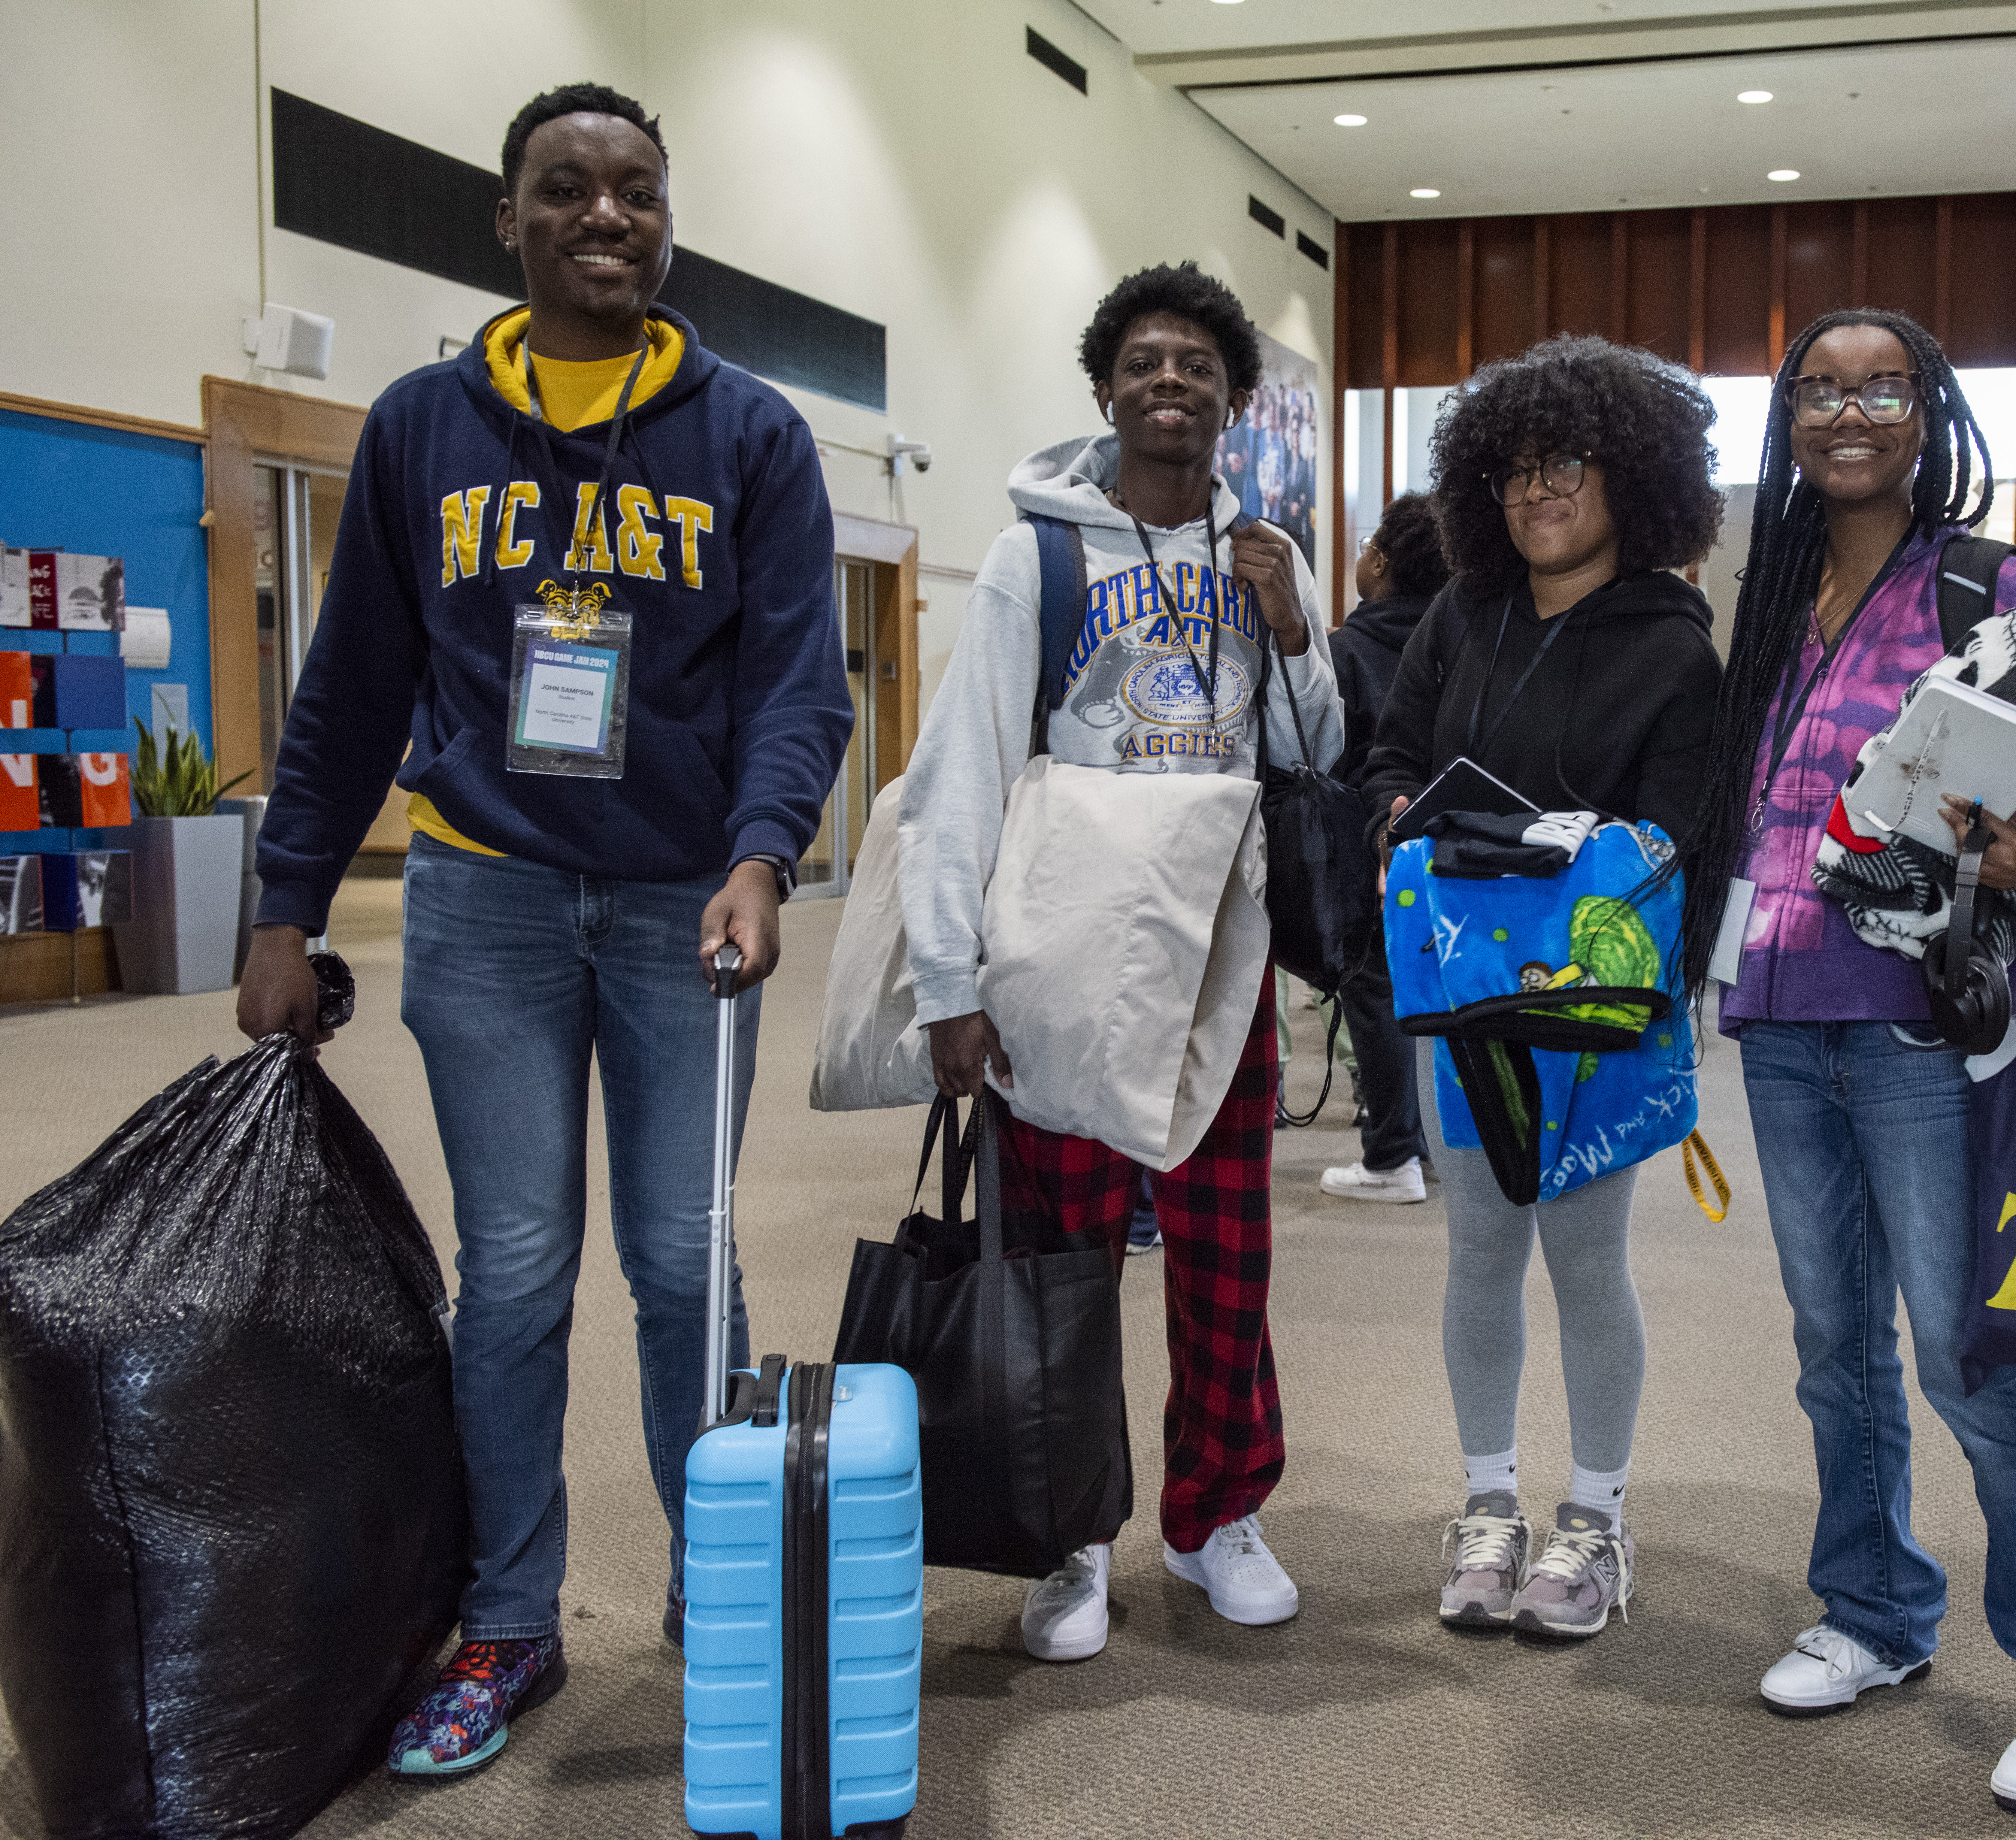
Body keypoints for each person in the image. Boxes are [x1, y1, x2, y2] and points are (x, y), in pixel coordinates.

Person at [236, 83, 852, 1780]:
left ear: (667, 218)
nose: (607, 216)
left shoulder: (750, 434)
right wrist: (287, 900)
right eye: (566, 189)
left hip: (681, 902)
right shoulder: (423, 427)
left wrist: (760, 852)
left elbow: (801, 678)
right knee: (509, 1272)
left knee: (680, 1262)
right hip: (485, 890)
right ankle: (507, 1616)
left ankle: (717, 1588)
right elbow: (352, 684)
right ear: (504, 223)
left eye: (638, 191)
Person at [1674, 308, 2016, 1815]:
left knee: (1968, 1358)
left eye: (1881, 385)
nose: (1847, 411)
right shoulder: (1768, 602)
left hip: (1919, 1024)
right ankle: (1875, 1611)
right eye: (1816, 389)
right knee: (1836, 1353)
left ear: (1928, 407)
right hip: (1781, 1016)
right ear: (1787, 424)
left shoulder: (1988, 584)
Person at [896, 262, 1342, 1663]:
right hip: (1065, 953)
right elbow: (960, 769)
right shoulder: (1036, 555)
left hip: (1221, 946)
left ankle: (1216, 1517)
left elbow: (1318, 752)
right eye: (1144, 362)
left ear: (1230, 400)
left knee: (1226, 1258)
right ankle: (1068, 1530)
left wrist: (1287, 626)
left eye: (1196, 367)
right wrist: (947, 982)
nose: (1170, 383)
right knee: (1063, 1261)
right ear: (1106, 388)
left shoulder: (1270, 552)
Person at [1360, 336, 1723, 1640]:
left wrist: (1595, 857)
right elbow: (1392, 755)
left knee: (1583, 1258)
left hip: (1591, 1007)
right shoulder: (1461, 614)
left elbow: (1687, 833)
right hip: (1460, 993)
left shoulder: (1680, 648)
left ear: (1633, 478)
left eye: (1567, 463)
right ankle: (1490, 1502)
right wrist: (1404, 808)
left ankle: (1600, 1516)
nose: (1537, 492)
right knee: (1476, 1250)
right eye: (1513, 471)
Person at [1319, 494, 1451, 1205]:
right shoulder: (1461, 643)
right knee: (1436, 994)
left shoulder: (1346, 649)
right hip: (1452, 850)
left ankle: (1391, 1153)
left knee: (1375, 993)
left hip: (1365, 846)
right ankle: (1428, 1142)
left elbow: (1324, 755)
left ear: (1380, 561)